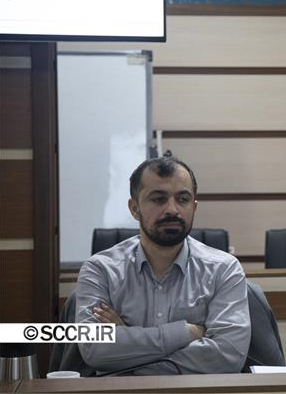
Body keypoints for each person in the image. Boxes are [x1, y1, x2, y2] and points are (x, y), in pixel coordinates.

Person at [75, 156, 250, 375]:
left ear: (194, 206)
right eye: (158, 199)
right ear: (134, 208)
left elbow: (227, 357)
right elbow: (93, 350)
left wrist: (127, 345)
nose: (172, 210)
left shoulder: (223, 269)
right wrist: (186, 333)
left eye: (183, 199)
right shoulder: (100, 270)